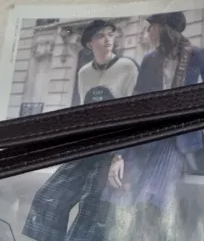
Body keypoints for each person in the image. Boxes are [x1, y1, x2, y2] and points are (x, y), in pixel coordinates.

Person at [23, 20, 138, 241]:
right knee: (47, 197)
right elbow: (86, 112)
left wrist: (120, 155)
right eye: (100, 36)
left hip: (113, 148)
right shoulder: (84, 73)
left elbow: (135, 115)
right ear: (89, 43)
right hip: (88, 145)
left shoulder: (128, 67)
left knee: (91, 208)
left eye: (110, 34)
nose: (107, 40)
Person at [105, 12, 204, 241]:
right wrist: (118, 155)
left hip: (177, 142)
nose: (148, 32)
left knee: (149, 200)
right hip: (146, 140)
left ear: (165, 28)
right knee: (119, 195)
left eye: (152, 26)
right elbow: (136, 107)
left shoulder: (196, 54)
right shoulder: (149, 59)